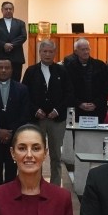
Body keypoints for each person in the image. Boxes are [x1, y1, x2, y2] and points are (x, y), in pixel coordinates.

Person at [21, 39, 69, 185]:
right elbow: (24, 95)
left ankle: (54, 186)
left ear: (55, 53)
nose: (48, 54)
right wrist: (35, 110)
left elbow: (69, 94)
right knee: (36, 152)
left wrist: (57, 110)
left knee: (56, 155)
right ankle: (36, 183)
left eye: (51, 51)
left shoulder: (62, 71)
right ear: (40, 53)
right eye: (45, 51)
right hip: (37, 120)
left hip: (57, 120)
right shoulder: (31, 71)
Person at [0, 58, 32, 186]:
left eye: (7, 68)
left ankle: (11, 200)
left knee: (12, 170)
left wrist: (10, 132)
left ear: (12, 70)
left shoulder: (22, 89)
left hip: (14, 137)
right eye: (0, 67)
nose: (3, 70)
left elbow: (25, 114)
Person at [65, 38, 108, 122]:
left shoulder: (100, 65)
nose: (86, 52)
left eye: (87, 49)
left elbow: (107, 87)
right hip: (77, 109)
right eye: (83, 49)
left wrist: (95, 103)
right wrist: (79, 104)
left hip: (98, 109)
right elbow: (67, 89)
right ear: (76, 52)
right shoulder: (69, 68)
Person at [0, 1, 28, 81]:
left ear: (13, 10)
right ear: (2, 10)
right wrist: (4, 45)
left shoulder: (20, 23)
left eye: (10, 9)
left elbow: (23, 36)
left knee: (15, 82)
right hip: (0, 56)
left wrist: (11, 45)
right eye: (6, 9)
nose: (8, 10)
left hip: (16, 57)